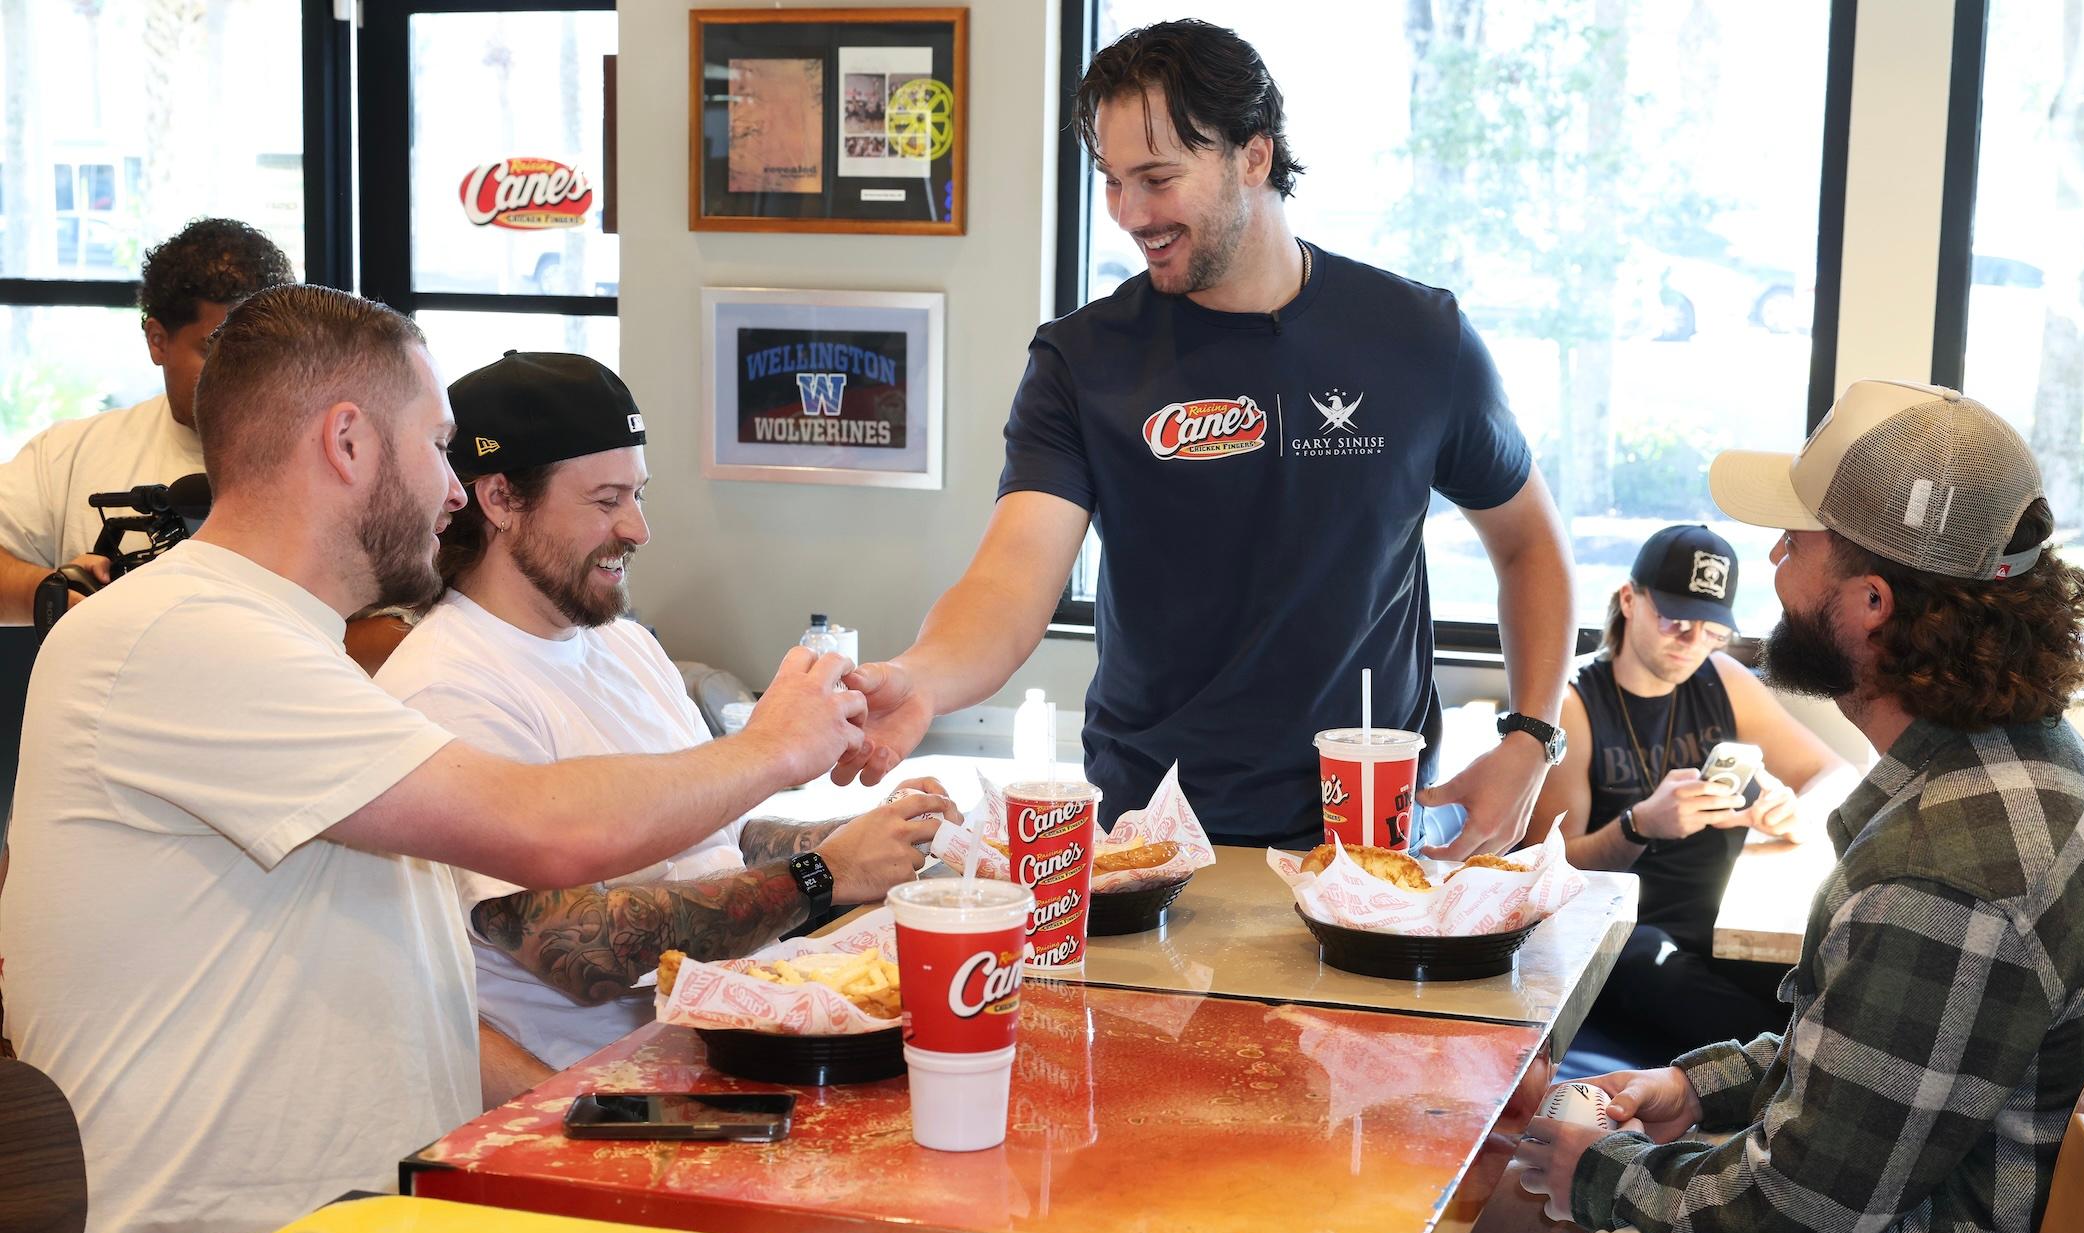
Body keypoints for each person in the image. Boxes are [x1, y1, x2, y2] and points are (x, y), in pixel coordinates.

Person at [0, 285, 866, 1233]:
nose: (457, 490)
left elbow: (415, 987)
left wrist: (596, 1117)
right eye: (440, 445)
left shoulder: (295, 646)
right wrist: (773, 746)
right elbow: (541, 832)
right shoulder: (181, 635)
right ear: (350, 441)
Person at [1378, 381, 2084, 1233]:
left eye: (1796, 542)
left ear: (1870, 602)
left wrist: (1606, 1175)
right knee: (1512, 1191)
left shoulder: (1948, 871)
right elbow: (1862, 1067)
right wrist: (1691, 1083)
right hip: (1918, 1216)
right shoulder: (2025, 761)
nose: (1772, 568)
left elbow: (1809, 1200)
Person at [836, 19, 1577, 855]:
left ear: (1253, 156)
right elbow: (1009, 583)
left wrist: (1531, 739)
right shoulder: (1082, 361)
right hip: (1151, 837)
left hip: (1371, 833)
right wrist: (923, 677)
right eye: (1112, 182)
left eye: (1156, 178)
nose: (1128, 214)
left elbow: (1530, 548)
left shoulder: (1417, 338)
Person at [375, 351, 958, 1082]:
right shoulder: (448, 686)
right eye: (606, 500)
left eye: (638, 495)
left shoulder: (623, 645)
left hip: (722, 1049)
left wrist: (864, 838)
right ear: (498, 499)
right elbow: (576, 948)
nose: (639, 529)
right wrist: (821, 875)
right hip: (596, 1099)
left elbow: (716, 837)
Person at [1524, 523, 1851, 1061]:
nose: (1692, 644)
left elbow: (1834, 773)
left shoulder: (1721, 678)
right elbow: (1547, 872)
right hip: (1628, 933)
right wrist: (1638, 826)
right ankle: (1804, 1063)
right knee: (1646, 963)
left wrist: (1796, 812)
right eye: (1676, 622)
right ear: (1629, 600)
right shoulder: (1575, 707)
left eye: (1712, 631)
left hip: (1721, 926)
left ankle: (1801, 1057)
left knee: (1823, 971)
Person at [0, 218, 294, 623]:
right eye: (214, 352)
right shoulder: (71, 455)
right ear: (158, 340)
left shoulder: (338, 467)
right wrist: (61, 592)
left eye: (263, 353)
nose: (243, 377)